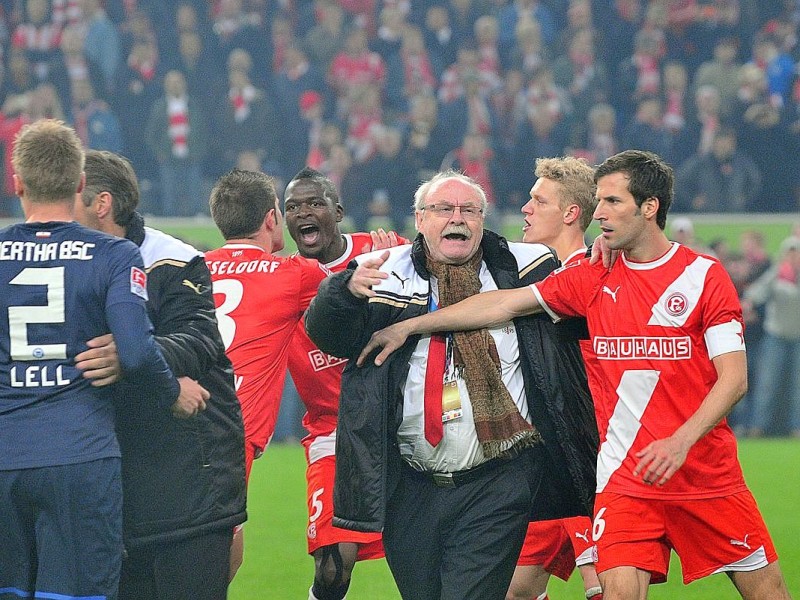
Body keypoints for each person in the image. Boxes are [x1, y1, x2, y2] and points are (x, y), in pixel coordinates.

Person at [356, 151, 793, 600]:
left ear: (649, 207)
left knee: (768, 593)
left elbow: (735, 379)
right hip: (625, 478)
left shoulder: (703, 276)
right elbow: (503, 303)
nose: (597, 212)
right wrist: (409, 325)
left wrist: (681, 441)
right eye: (598, 201)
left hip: (706, 475)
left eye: (612, 202)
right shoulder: (591, 275)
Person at [304, 170, 598, 600]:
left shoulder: (527, 267)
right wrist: (344, 291)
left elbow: (588, 292)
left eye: (468, 210)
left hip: (498, 481)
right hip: (410, 485)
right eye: (443, 209)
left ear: (482, 220)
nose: (456, 218)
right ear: (420, 219)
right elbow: (327, 333)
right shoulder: (386, 273)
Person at [0, 119, 207, 600]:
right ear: (77, 185)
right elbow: (134, 352)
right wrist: (172, 392)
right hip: (80, 457)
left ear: (17, 183)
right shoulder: (113, 254)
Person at [72, 149, 247, 599]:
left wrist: (132, 355)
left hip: (190, 486)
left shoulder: (171, 260)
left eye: (69, 196)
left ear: (102, 203)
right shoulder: (71, 263)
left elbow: (202, 341)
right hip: (117, 490)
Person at [284, 166, 406, 600]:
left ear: (337, 211)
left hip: (400, 428)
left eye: (314, 203)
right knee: (334, 564)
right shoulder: (284, 279)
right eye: (292, 207)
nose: (303, 213)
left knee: (424, 561)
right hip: (332, 432)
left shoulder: (389, 254)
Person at [203, 168, 332, 575]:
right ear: (271, 219)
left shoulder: (192, 268)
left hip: (178, 417)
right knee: (216, 542)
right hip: (229, 428)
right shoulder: (292, 274)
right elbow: (355, 272)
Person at [509, 156, 602, 600]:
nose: (526, 208)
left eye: (538, 200)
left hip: (593, 459)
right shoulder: (548, 277)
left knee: (607, 586)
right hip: (550, 460)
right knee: (517, 590)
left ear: (570, 214)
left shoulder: (595, 274)